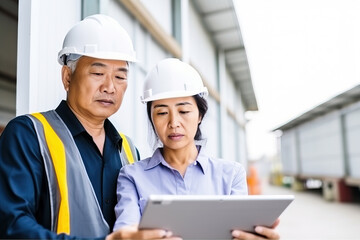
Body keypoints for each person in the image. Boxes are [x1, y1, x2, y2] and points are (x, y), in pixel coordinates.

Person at [0, 14, 180, 240]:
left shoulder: (128, 151)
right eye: (97, 73)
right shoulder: (29, 135)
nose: (110, 87)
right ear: (67, 77)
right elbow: (11, 226)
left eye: (120, 76)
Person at [112, 58, 280, 240]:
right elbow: (125, 233)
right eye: (161, 113)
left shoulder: (231, 175)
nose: (174, 123)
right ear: (152, 119)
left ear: (200, 115)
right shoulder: (131, 177)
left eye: (183, 111)